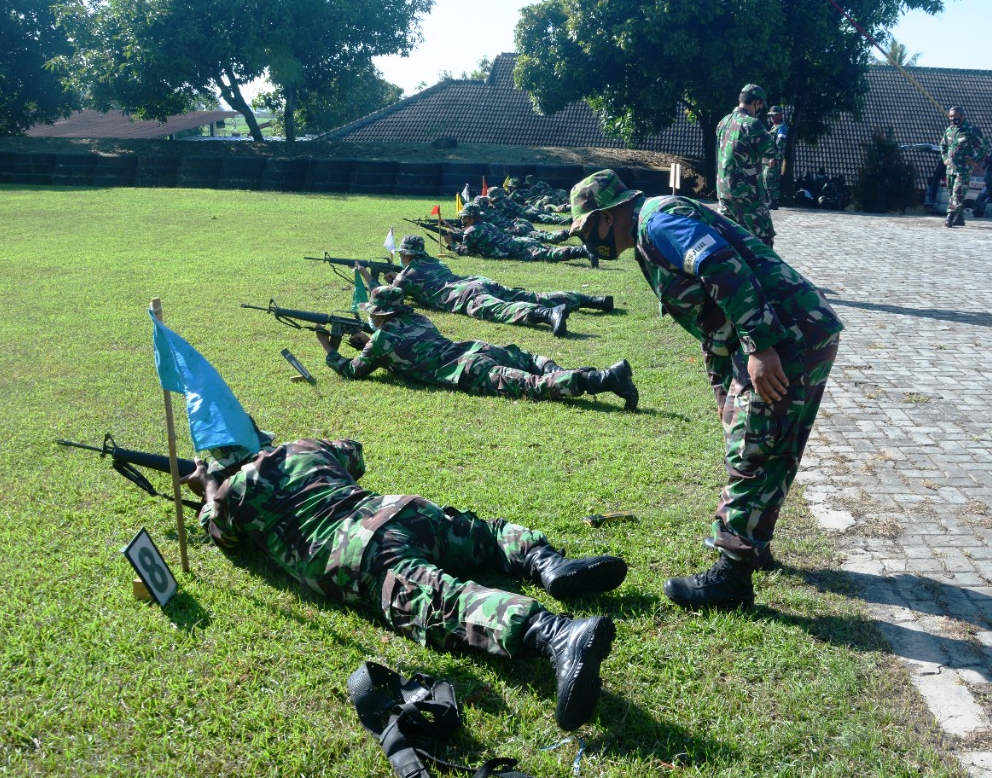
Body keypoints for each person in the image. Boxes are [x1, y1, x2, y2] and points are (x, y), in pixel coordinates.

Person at [185, 434, 625, 731]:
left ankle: (557, 633)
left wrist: (207, 486)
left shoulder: (232, 494)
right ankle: (546, 563)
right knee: (482, 534)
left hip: (357, 553)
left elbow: (223, 535)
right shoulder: (303, 445)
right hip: (399, 510)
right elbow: (354, 453)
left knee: (443, 603)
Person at [566, 169, 844, 609]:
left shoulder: (657, 222)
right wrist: (723, 385)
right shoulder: (646, 232)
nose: (588, 241)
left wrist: (760, 345)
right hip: (790, 330)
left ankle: (731, 578)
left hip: (787, 333)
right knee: (768, 443)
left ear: (608, 215)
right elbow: (707, 312)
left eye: (587, 229)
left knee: (754, 449)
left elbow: (719, 266)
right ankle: (752, 545)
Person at [318, 285, 638, 410]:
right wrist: (369, 345)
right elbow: (406, 354)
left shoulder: (381, 339)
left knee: (531, 386)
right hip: (474, 349)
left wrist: (330, 350)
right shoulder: (419, 319)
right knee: (528, 359)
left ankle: (603, 380)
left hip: (468, 371)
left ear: (378, 313)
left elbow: (354, 371)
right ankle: (578, 373)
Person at [363, 235, 614, 337]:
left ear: (406, 255)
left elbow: (384, 298)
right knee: (531, 294)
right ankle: (592, 300)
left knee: (502, 309)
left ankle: (549, 314)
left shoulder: (404, 277)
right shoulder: (432, 262)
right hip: (476, 281)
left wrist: (367, 276)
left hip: (462, 296)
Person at [715, 83, 777, 246]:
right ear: (756, 103)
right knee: (763, 241)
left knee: (728, 240)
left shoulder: (723, 122)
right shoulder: (752, 124)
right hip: (748, 194)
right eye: (761, 106)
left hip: (724, 192)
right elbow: (772, 152)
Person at [456, 203, 598, 267]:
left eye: (464, 217)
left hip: (515, 247)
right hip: (518, 239)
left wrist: (451, 244)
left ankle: (583, 251)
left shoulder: (471, 232)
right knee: (547, 246)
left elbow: (467, 250)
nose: (462, 220)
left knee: (549, 254)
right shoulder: (486, 224)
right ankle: (579, 244)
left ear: (470, 217)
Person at [939, 105, 986, 227]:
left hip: (963, 169)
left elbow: (984, 147)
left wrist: (976, 160)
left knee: (957, 192)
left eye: (956, 116)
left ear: (962, 116)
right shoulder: (949, 130)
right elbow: (943, 146)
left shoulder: (971, 130)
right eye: (951, 116)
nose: (954, 119)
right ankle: (960, 218)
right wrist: (945, 159)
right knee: (952, 194)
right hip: (950, 169)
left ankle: (950, 215)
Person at [762, 105, 788, 215]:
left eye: (774, 116)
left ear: (779, 115)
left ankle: (773, 201)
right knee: (766, 178)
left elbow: (780, 143)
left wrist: (774, 158)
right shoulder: (773, 127)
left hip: (775, 157)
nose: (771, 118)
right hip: (768, 157)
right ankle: (770, 200)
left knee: (771, 178)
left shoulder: (781, 127)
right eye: (771, 116)